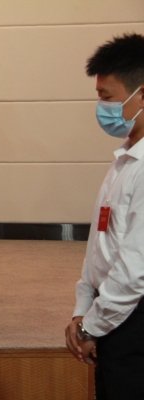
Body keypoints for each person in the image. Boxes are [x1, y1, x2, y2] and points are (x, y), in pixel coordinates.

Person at [65, 33, 144, 399]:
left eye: (107, 97)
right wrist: (83, 308)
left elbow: (135, 269)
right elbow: (100, 246)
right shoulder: (125, 160)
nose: (102, 108)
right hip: (110, 315)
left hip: (132, 320)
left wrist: (92, 326)